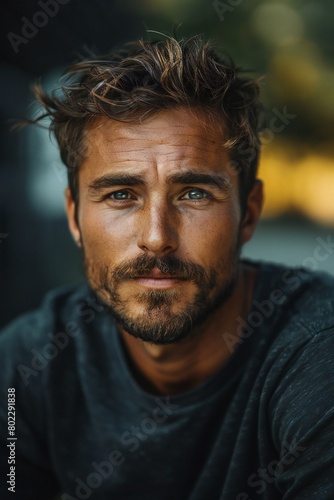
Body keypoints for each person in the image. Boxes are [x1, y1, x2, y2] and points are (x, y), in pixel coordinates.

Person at [0, 35, 333, 500]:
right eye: (121, 195)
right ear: (75, 216)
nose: (156, 237)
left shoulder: (319, 359)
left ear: (249, 213)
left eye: (194, 193)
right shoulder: (27, 366)